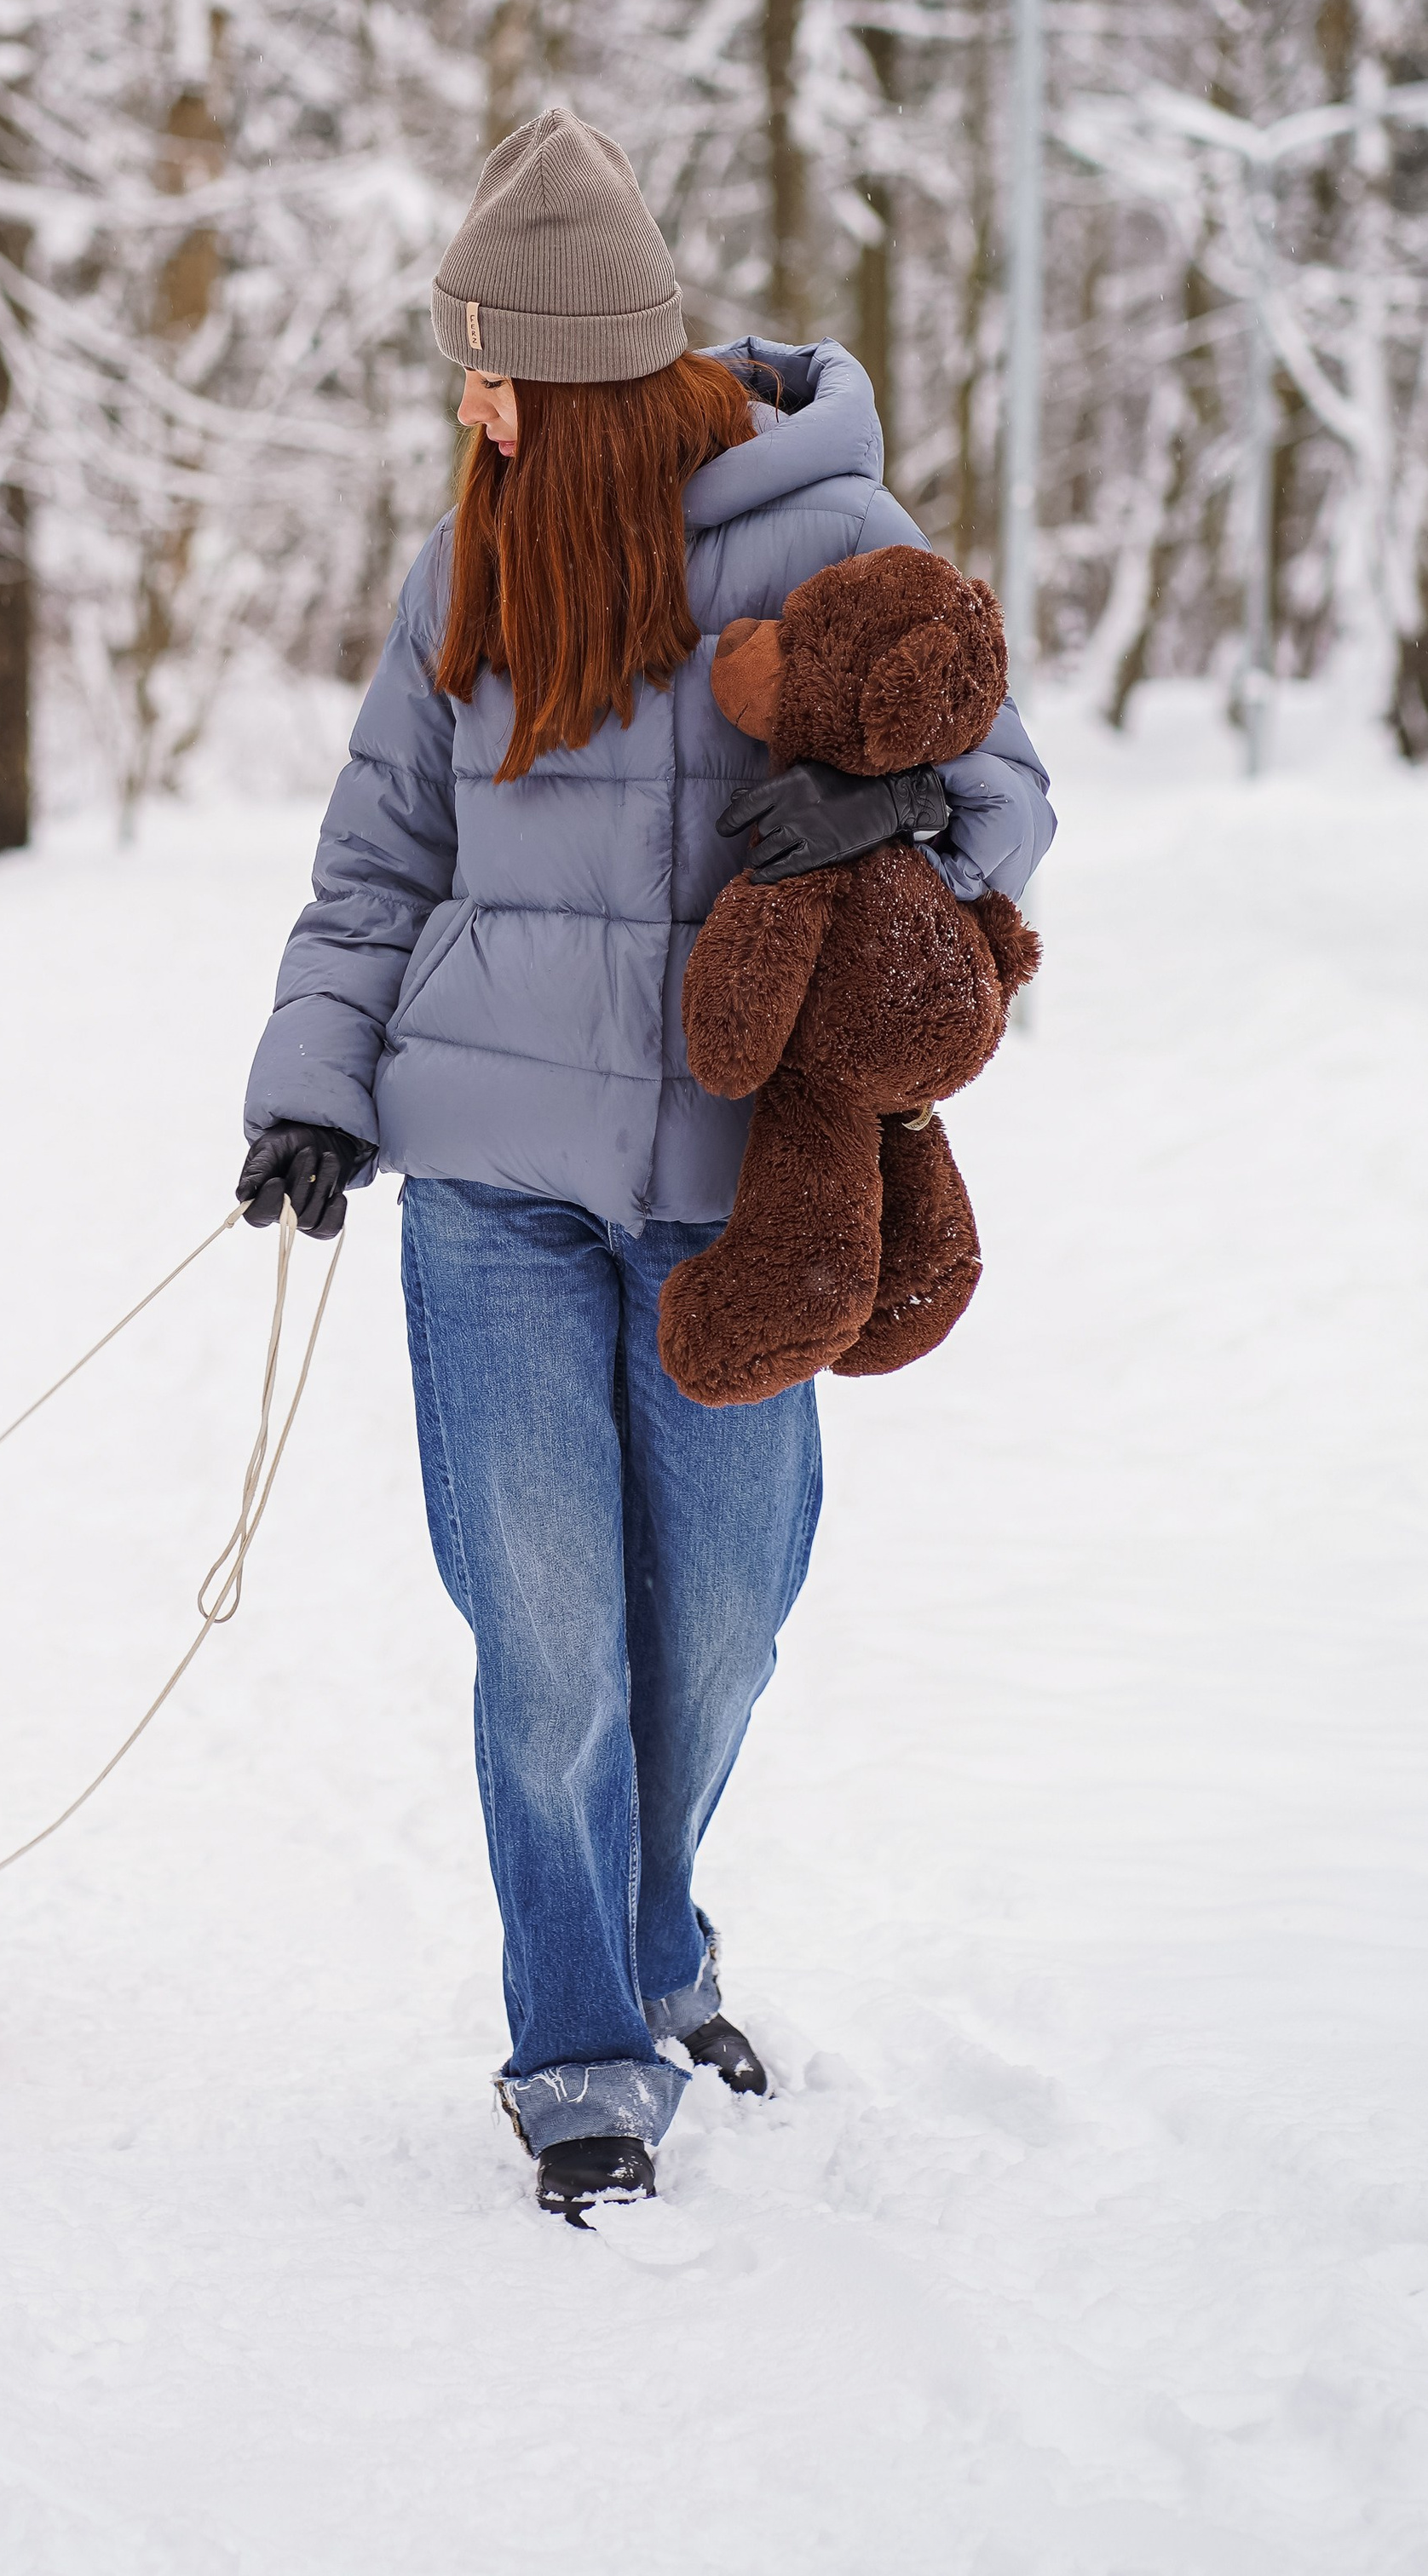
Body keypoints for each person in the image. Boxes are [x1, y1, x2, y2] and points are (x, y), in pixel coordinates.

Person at [238, 110, 1054, 2222]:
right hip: (489, 1184)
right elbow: (376, 860)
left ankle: (657, 1935)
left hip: (741, 1191)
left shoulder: (823, 533)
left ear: (590, 383)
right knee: (543, 1641)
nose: (467, 406)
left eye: (491, 371)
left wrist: (878, 827)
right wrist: (311, 1085)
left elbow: (1004, 804)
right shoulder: (473, 559)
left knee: (716, 1626)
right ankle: (581, 2044)